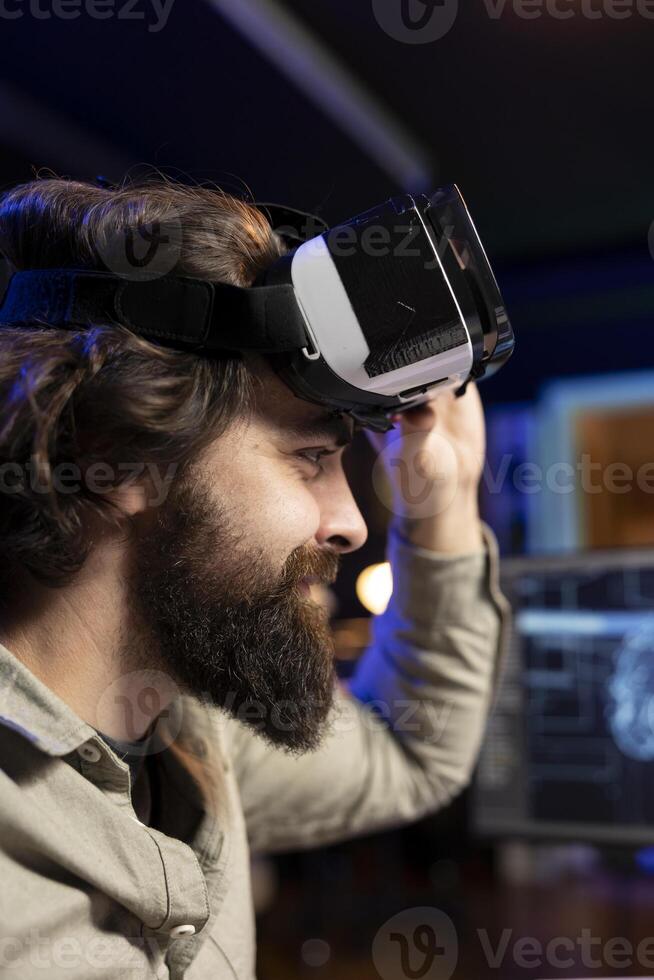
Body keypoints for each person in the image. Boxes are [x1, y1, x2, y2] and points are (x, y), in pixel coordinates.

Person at [0, 177, 509, 980]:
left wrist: (440, 499)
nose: (350, 522)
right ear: (116, 455)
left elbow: (412, 754)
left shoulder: (189, 733)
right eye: (310, 457)